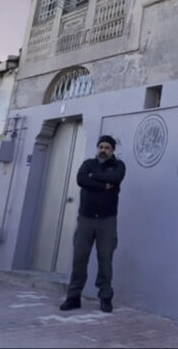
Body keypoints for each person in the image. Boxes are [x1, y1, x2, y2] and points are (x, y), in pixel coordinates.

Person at [59, 134, 126, 313]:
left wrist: (94, 178)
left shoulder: (119, 166)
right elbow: (81, 180)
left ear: (112, 150)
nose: (103, 150)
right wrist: (104, 183)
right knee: (79, 259)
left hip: (107, 220)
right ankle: (73, 297)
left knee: (105, 260)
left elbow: (116, 178)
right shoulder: (88, 164)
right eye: (101, 147)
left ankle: (105, 297)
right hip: (86, 219)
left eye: (107, 148)